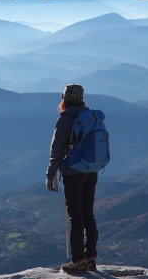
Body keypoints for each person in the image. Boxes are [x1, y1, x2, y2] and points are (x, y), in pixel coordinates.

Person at [46, 84, 99, 274]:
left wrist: (51, 174)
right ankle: (91, 257)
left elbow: (56, 150)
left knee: (75, 217)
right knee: (88, 214)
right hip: (91, 171)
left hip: (72, 174)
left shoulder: (65, 119)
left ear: (65, 99)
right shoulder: (91, 116)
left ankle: (78, 260)